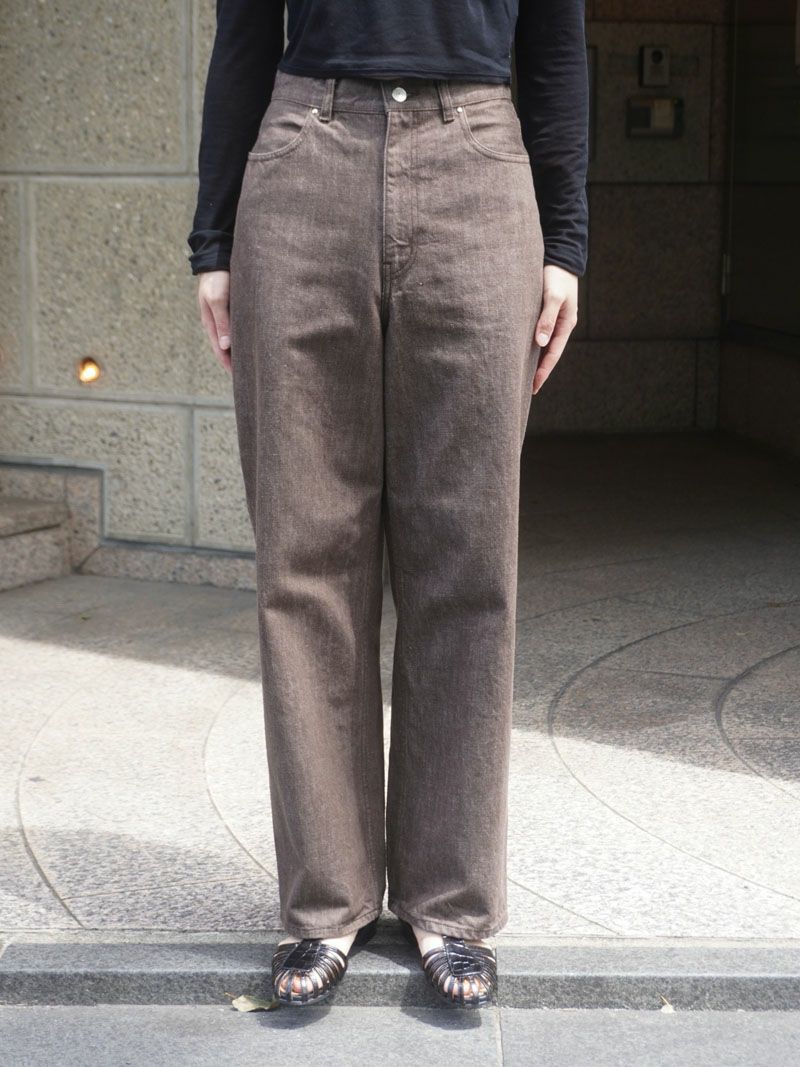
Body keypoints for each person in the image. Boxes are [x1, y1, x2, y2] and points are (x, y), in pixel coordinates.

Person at [189, 0, 588, 1009]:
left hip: (477, 160)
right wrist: (213, 240)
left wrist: (566, 242)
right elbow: (244, 30)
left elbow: (555, 39)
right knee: (304, 557)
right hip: (304, 153)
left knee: (466, 556)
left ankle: (448, 902)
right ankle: (325, 899)